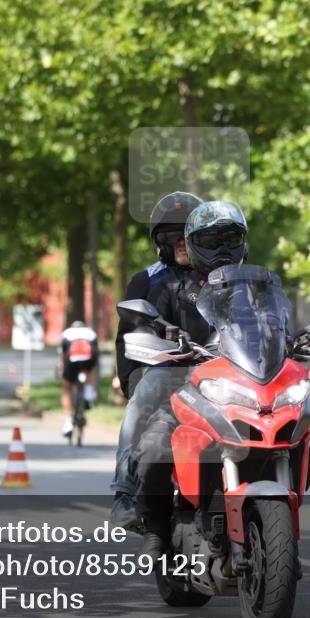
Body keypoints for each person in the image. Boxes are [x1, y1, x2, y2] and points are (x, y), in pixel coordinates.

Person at [134, 201, 250, 559]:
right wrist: (166, 340)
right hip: (184, 388)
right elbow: (147, 327)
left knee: (301, 439)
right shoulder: (170, 286)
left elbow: (275, 329)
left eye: (230, 240)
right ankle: (155, 528)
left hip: (243, 389)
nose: (222, 249)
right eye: (212, 241)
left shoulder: (254, 287)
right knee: (154, 449)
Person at [109, 192, 203, 526]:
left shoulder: (218, 276)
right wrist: (132, 382)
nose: (181, 242)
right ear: (160, 241)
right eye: (172, 236)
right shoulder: (146, 279)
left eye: (187, 235)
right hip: (165, 371)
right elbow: (127, 337)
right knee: (141, 403)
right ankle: (124, 492)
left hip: (216, 371)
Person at [60, 320, 99, 439]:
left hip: (72, 358)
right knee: (89, 371)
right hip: (88, 357)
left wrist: (62, 368)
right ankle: (88, 396)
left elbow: (63, 354)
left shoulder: (67, 333)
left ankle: (68, 423)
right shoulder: (91, 332)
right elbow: (96, 352)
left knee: (67, 388)